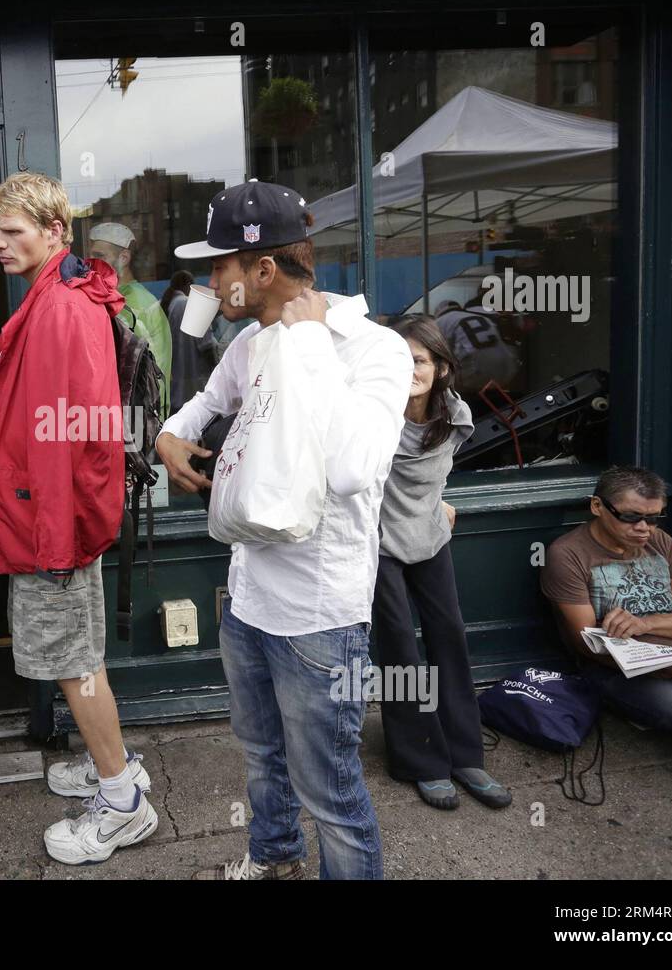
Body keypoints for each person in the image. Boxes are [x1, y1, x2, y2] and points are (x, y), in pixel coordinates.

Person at [156, 179, 412, 880]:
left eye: (219, 268)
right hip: (247, 602)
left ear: (261, 270)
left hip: (319, 619)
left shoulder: (372, 349)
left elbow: (358, 470)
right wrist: (170, 437)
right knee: (262, 758)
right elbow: (205, 403)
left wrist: (307, 347)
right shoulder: (247, 343)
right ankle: (273, 860)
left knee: (329, 789)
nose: (210, 283)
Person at [0, 172, 158, 865]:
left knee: (73, 663)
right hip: (51, 524)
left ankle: (122, 803)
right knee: (79, 657)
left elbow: (72, 437)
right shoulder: (64, 295)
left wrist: (55, 542)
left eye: (12, 230)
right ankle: (109, 764)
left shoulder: (59, 307)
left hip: (49, 531)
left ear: (55, 231)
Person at [370, 316, 511, 810]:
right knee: (398, 649)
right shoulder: (370, 416)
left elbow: (435, 476)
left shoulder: (456, 415)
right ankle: (420, 760)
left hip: (430, 535)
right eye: (400, 358)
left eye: (420, 360)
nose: (409, 368)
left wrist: (441, 502)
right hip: (379, 542)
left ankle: (465, 753)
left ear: (442, 367)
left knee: (449, 635)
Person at [541, 466, 672, 778]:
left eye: (654, 517)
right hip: (616, 670)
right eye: (631, 517)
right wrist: (671, 672)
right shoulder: (568, 554)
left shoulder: (660, 542)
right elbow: (587, 646)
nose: (645, 527)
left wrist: (647, 625)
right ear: (597, 507)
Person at [87, 221, 172, 418]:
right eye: (90, 255)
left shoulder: (131, 305)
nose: (92, 262)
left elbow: (127, 369)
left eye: (100, 256)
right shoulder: (120, 297)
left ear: (124, 257)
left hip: (140, 420)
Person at [163, 269, 219, 408]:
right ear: (188, 284)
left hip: (177, 385)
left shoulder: (171, 303)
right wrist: (217, 372)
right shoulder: (189, 303)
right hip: (196, 384)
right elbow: (206, 346)